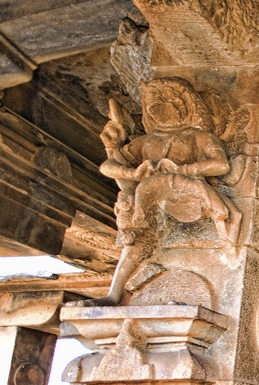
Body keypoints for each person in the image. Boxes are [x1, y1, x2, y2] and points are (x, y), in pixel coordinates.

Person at [84, 78, 239, 306]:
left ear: (188, 105)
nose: (161, 103)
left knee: (147, 196)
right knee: (136, 236)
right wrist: (134, 172)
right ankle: (115, 294)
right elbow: (107, 166)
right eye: (154, 99)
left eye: (169, 98)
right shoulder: (147, 141)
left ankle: (224, 232)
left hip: (188, 194)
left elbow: (221, 165)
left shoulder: (199, 137)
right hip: (153, 198)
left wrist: (184, 169)